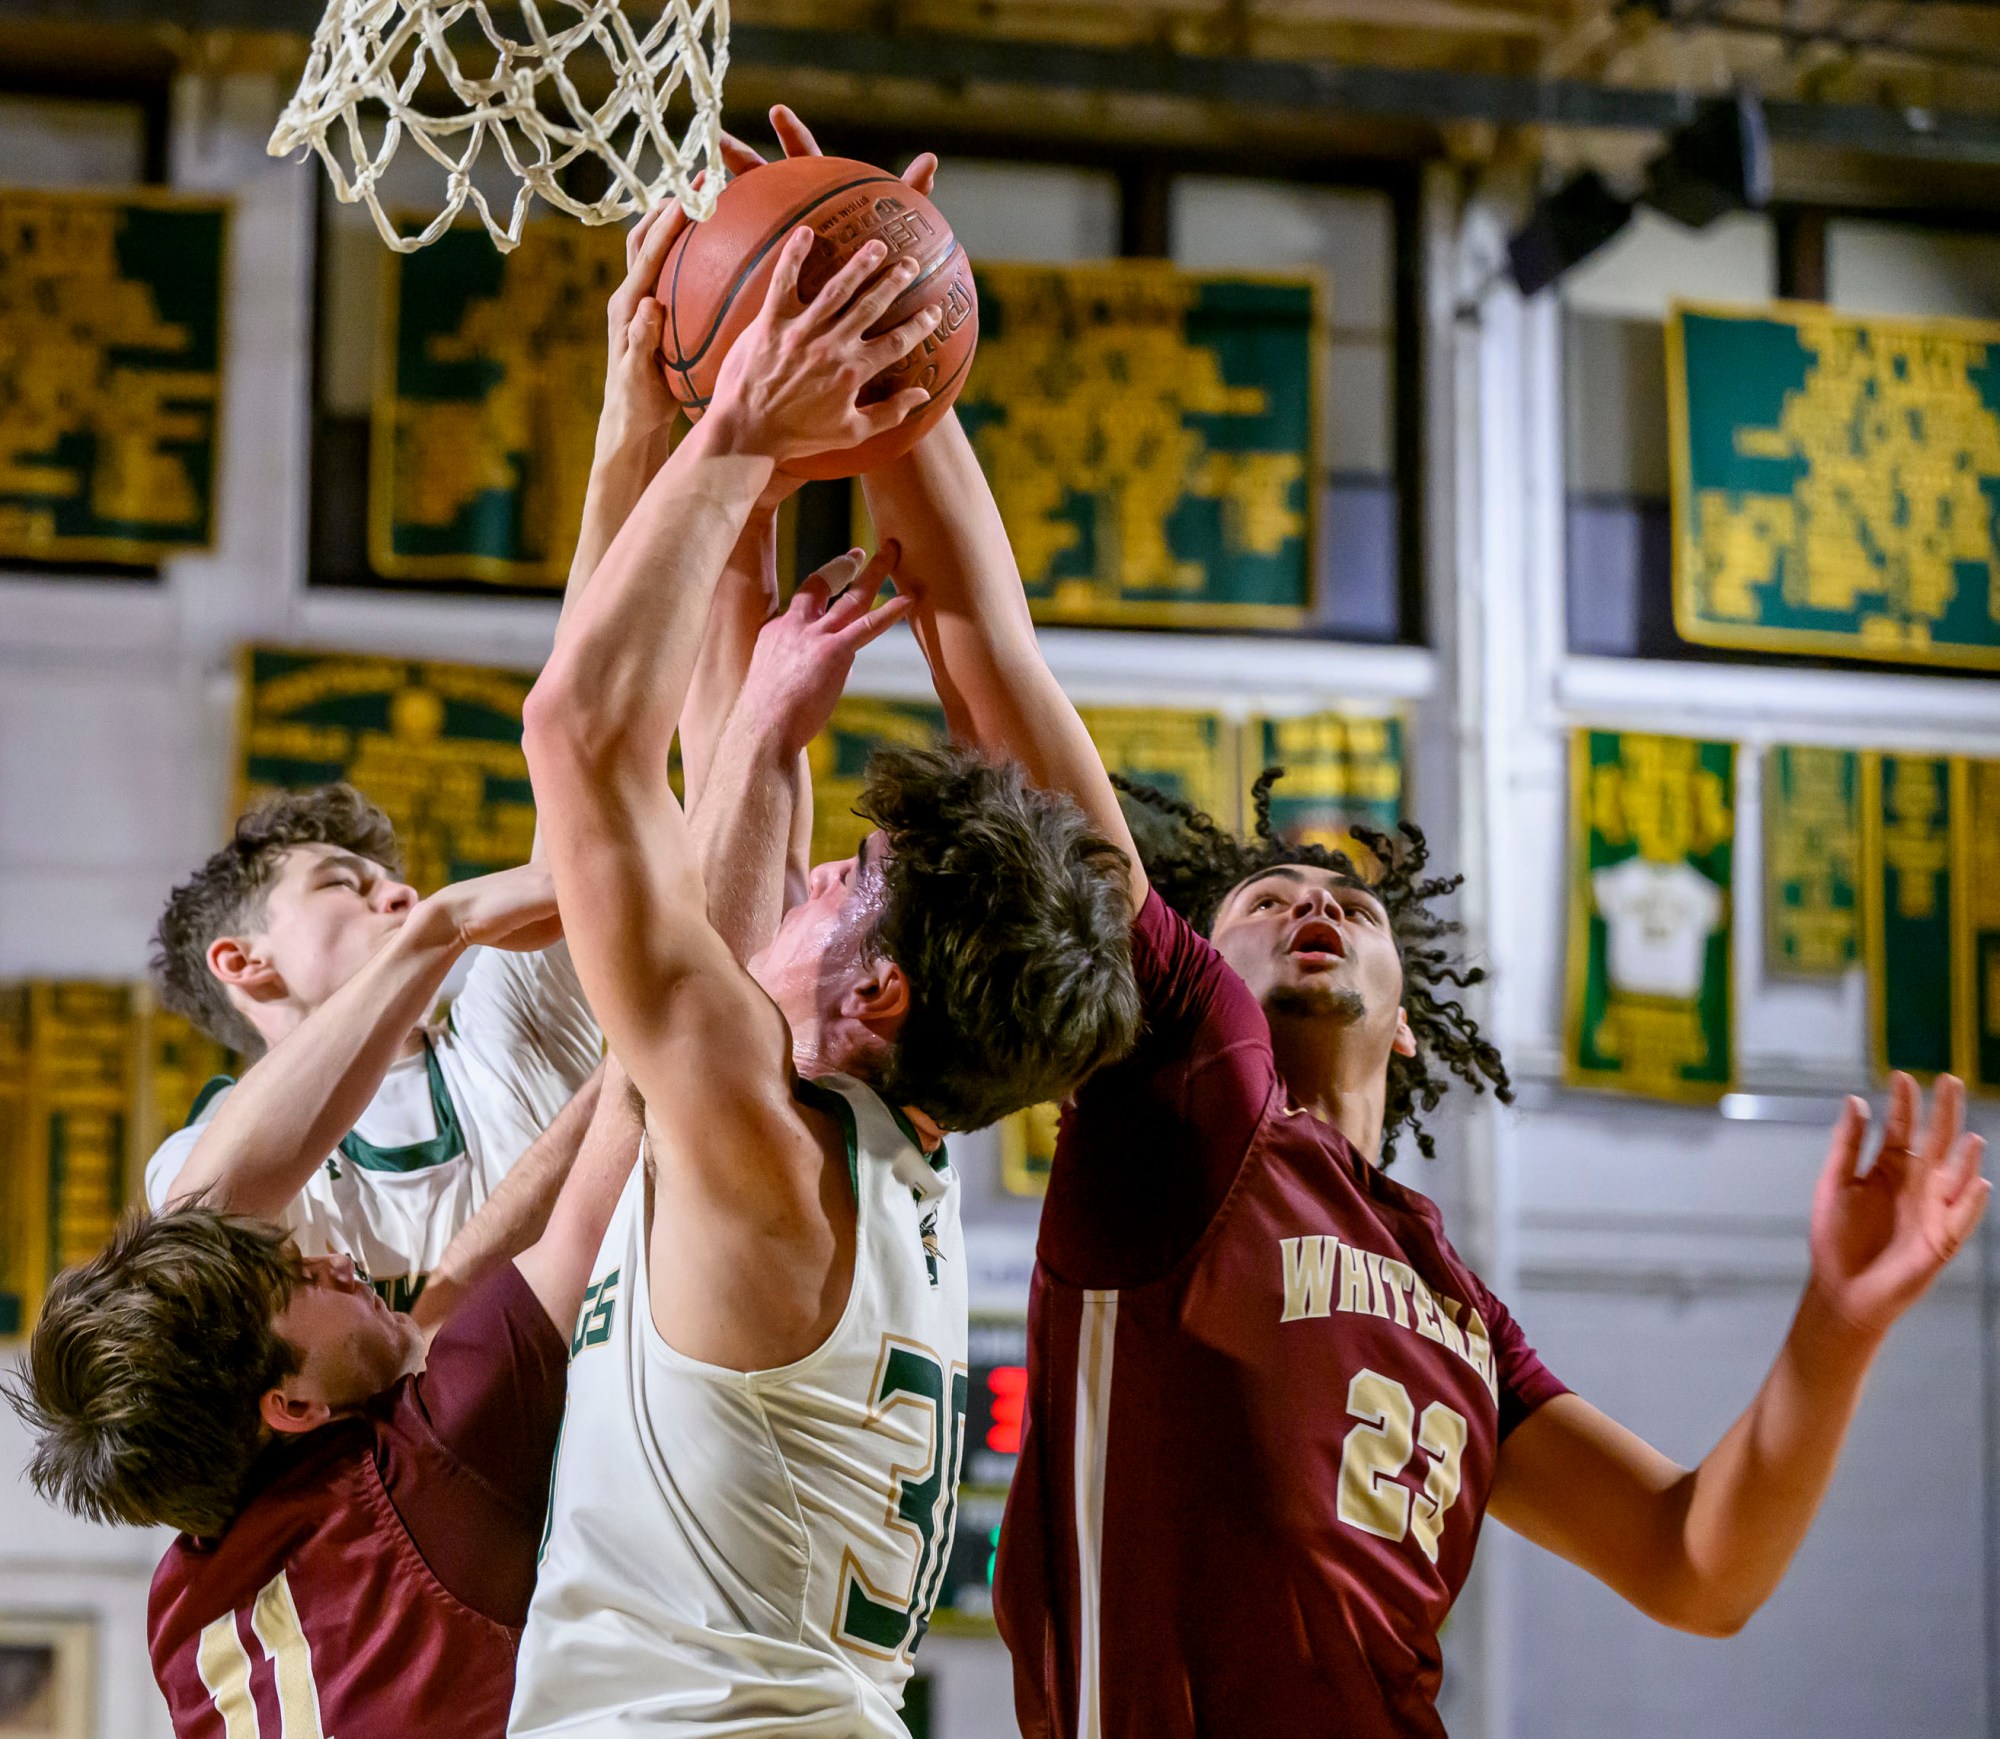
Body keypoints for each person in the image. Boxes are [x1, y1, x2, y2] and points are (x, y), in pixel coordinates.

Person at [864, 399, 1992, 1735]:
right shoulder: (1185, 1091)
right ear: (1182, 975)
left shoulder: (1453, 1301)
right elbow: (993, 654)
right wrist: (901, 372)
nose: (1310, 902)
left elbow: (1696, 1562)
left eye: (1347, 901)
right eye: (1264, 899)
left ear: (1407, 1020)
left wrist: (1839, 1323)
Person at [507, 192, 1140, 1738]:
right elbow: (729, 816)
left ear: (878, 994)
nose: (821, 872)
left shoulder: (761, 1152)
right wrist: (793, 337)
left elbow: (582, 742)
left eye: (856, 880)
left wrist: (727, 435)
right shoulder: (849, 1159)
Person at [136, 204, 712, 1307]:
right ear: (244, 960)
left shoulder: (498, 1020)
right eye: (343, 884)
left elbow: (588, 726)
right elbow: (208, 1207)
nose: (397, 888)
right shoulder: (204, 1161)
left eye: (386, 876)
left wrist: (624, 424)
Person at [7, 886, 642, 1739]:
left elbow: (439, 1326)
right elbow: (647, 1088)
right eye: (297, 1278)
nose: (334, 1260)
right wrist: (435, 930)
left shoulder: (188, 1600)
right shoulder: (411, 1486)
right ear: (293, 1407)